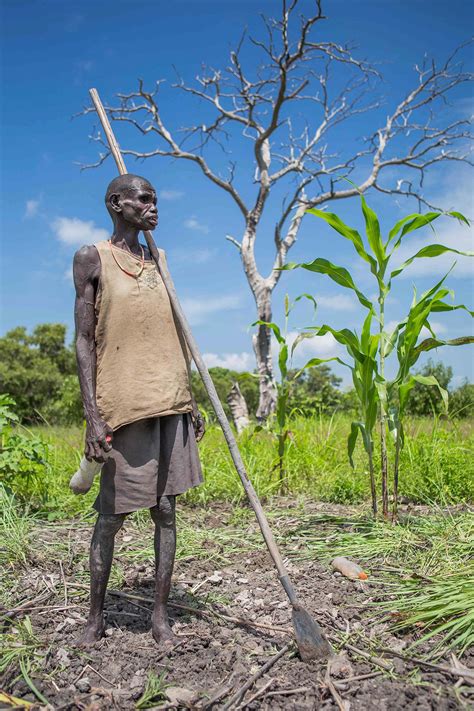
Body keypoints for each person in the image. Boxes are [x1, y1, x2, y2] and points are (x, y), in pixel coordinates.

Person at [73, 174, 205, 645]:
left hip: (170, 402)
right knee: (111, 516)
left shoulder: (159, 259)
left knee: (167, 512)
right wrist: (93, 414)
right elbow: (85, 340)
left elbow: (173, 332)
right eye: (144, 199)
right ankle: (95, 617)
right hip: (122, 405)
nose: (153, 207)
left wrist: (190, 397)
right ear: (116, 203)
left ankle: (159, 616)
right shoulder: (93, 257)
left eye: (155, 199)